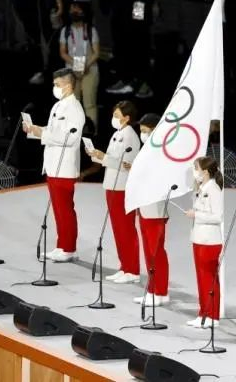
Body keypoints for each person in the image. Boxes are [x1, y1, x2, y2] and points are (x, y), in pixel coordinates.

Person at [22, 68, 85, 262]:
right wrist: (34, 130)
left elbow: (72, 138)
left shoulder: (75, 109)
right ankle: (61, 245)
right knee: (58, 210)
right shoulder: (58, 105)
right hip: (52, 165)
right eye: (54, 84)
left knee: (65, 209)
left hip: (64, 167)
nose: (55, 88)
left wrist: (44, 134)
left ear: (68, 85)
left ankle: (69, 248)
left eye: (57, 84)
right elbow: (51, 130)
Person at [87, 101, 141, 284]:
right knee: (118, 229)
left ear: (127, 118)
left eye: (117, 116)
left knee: (126, 229)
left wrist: (104, 157)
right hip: (111, 185)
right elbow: (110, 159)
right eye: (114, 115)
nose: (114, 118)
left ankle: (132, 270)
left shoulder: (131, 136)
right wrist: (97, 156)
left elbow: (127, 165)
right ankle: (124, 266)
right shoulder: (117, 133)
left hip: (122, 187)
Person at [106, 0, 161, 99]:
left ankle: (142, 84)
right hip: (124, 14)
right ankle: (125, 80)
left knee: (140, 49)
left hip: (140, 14)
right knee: (123, 48)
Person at [133, 113, 171, 306]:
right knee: (148, 252)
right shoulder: (147, 149)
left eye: (145, 130)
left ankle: (161, 291)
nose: (143, 134)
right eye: (141, 131)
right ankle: (152, 290)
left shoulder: (162, 151)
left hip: (155, 208)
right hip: (144, 205)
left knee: (156, 252)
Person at [185, 156, 224, 328]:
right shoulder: (202, 188)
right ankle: (203, 313)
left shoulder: (213, 189)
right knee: (201, 279)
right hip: (199, 238)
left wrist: (196, 215)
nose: (195, 172)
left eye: (196, 168)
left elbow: (217, 217)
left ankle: (212, 316)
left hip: (210, 240)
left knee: (209, 279)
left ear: (206, 172)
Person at [59, 1, 100, 129]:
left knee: (89, 103)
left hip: (90, 69)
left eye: (77, 9)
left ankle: (91, 131)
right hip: (71, 72)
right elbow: (63, 52)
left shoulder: (91, 30)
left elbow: (96, 53)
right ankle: (73, 131)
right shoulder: (65, 31)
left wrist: (85, 66)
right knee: (73, 103)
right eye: (72, 10)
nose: (74, 12)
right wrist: (76, 65)